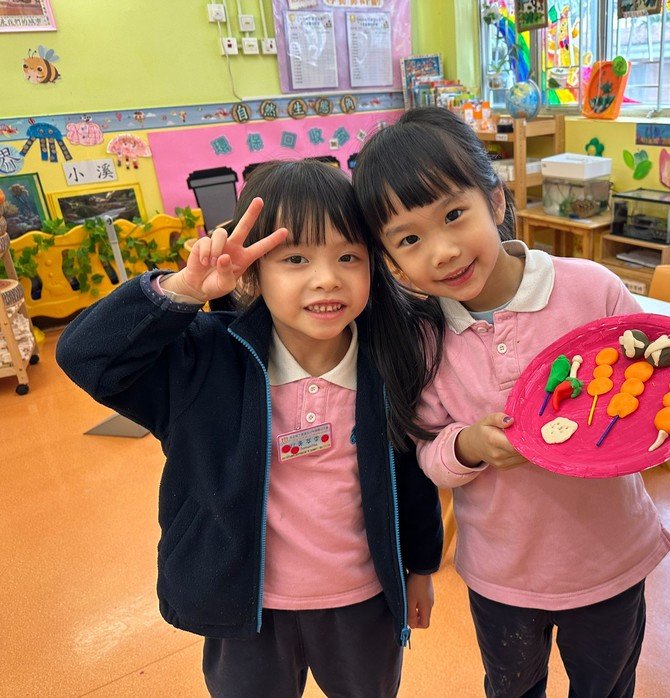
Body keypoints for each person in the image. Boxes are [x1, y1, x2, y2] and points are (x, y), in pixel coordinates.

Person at [353, 107, 670, 698]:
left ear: (495, 200)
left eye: (454, 215)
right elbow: (428, 452)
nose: (443, 251)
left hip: (609, 563)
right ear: (391, 260)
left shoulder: (590, 288)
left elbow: (654, 385)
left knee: (606, 687)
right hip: (502, 575)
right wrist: (469, 445)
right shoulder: (423, 340)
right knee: (512, 688)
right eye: (410, 239)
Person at [56, 160, 443, 698]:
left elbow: (413, 475)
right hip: (244, 606)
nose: (326, 278)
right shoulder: (207, 361)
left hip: (363, 600)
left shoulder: (387, 360)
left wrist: (421, 567)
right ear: (254, 274)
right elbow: (85, 356)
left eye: (348, 257)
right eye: (295, 258)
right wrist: (183, 289)